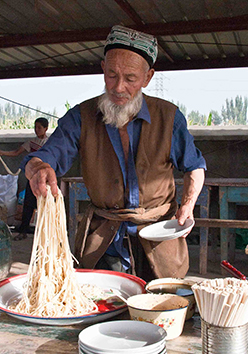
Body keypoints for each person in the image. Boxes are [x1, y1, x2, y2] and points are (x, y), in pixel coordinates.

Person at [21, 25, 206, 282]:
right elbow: (46, 156)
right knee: (106, 302)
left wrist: (187, 206)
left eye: (130, 78)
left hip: (160, 233)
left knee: (163, 305)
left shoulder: (169, 117)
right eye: (111, 75)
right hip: (105, 238)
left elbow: (194, 165)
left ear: (148, 77)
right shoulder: (81, 116)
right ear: (102, 69)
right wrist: (38, 168)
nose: (118, 87)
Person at [0, 117, 49, 240]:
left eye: (39, 127)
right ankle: (23, 231)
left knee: (45, 205)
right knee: (28, 204)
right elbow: (16, 152)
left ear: (46, 128)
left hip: (45, 179)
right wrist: (1, 152)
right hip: (33, 178)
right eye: (35, 127)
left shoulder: (50, 144)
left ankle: (45, 235)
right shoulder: (31, 142)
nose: (36, 130)